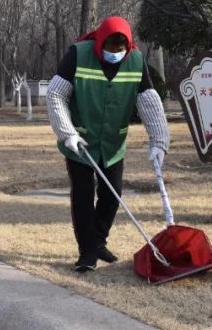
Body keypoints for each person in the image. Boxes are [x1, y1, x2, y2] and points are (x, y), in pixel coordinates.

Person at [46, 16, 169, 272]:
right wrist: (66, 133)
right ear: (99, 42)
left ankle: (99, 240)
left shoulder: (135, 61)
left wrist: (159, 140)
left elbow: (148, 100)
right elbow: (56, 94)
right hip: (79, 141)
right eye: (109, 49)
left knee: (112, 195)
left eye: (120, 50)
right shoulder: (77, 54)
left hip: (113, 143)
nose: (115, 54)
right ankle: (87, 252)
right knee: (83, 195)